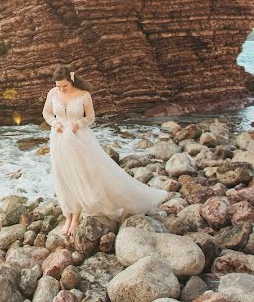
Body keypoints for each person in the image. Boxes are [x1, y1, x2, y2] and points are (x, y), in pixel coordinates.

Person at [41, 65, 167, 236]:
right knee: (62, 176)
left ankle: (76, 217)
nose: (61, 89)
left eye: (64, 86)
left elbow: (90, 117)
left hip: (79, 140)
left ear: (71, 80)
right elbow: (47, 113)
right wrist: (55, 124)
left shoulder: (84, 95)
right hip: (58, 139)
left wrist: (78, 124)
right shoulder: (53, 93)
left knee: (81, 176)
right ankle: (68, 216)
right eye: (58, 86)